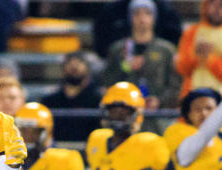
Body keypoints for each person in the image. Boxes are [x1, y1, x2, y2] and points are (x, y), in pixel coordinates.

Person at [101, 0, 181, 133]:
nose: (142, 18)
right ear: (130, 18)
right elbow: (108, 84)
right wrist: (126, 69)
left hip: (158, 118)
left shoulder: (166, 50)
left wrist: (159, 101)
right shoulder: (118, 49)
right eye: (136, 14)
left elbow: (176, 85)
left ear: (154, 18)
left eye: (147, 13)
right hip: (125, 118)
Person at [41, 52, 102, 143]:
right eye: (70, 63)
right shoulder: (50, 101)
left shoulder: (98, 100)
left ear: (87, 69)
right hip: (57, 150)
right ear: (63, 69)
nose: (74, 67)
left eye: (79, 63)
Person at [175, 0, 222, 98]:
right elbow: (181, 67)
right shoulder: (192, 32)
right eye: (213, 3)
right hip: (193, 95)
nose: (217, 9)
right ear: (205, 5)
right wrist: (195, 55)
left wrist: (209, 59)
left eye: (221, 4)